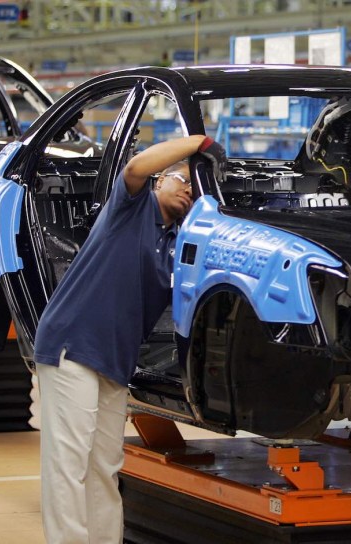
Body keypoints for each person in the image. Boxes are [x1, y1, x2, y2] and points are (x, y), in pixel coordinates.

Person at [32, 134, 226, 544]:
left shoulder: (178, 244)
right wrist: (200, 142)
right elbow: (136, 166)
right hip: (72, 347)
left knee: (105, 466)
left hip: (114, 363)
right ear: (161, 181)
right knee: (69, 465)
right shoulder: (131, 207)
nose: (189, 190)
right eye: (182, 180)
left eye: (197, 187)